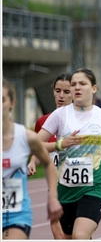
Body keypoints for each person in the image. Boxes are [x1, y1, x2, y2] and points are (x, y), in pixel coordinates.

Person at [36, 68, 101, 239]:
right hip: (65, 190)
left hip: (94, 187)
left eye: (82, 84)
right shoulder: (60, 115)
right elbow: (35, 144)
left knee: (80, 235)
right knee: (66, 237)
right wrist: (60, 144)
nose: (77, 88)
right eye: (74, 84)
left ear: (94, 88)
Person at [2, 79, 63, 240]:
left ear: (11, 103)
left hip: (14, 214)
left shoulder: (25, 136)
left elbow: (48, 162)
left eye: (2, 100)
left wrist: (52, 198)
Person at [27, 73, 72, 239]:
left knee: (78, 233)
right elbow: (39, 149)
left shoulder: (83, 120)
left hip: (79, 184)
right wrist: (32, 162)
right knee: (57, 229)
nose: (61, 96)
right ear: (53, 91)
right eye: (58, 90)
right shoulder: (43, 122)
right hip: (55, 184)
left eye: (66, 92)